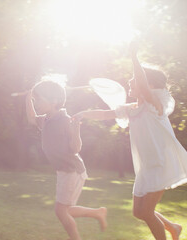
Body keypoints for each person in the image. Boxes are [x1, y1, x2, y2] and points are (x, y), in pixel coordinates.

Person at [73, 43, 187, 240]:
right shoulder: (132, 108)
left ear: (148, 85)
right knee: (139, 213)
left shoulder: (154, 105)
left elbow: (140, 80)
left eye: (134, 79)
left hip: (160, 164)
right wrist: (83, 114)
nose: (130, 82)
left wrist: (134, 57)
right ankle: (173, 227)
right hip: (146, 167)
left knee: (147, 213)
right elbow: (105, 113)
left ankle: (169, 234)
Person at [26, 77, 107, 240]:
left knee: (61, 211)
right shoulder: (46, 119)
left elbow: (75, 148)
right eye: (35, 100)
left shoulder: (64, 120)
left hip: (72, 170)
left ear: (54, 100)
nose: (36, 103)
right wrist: (28, 98)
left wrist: (76, 128)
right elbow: (31, 119)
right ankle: (98, 213)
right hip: (63, 171)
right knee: (66, 209)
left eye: (38, 100)